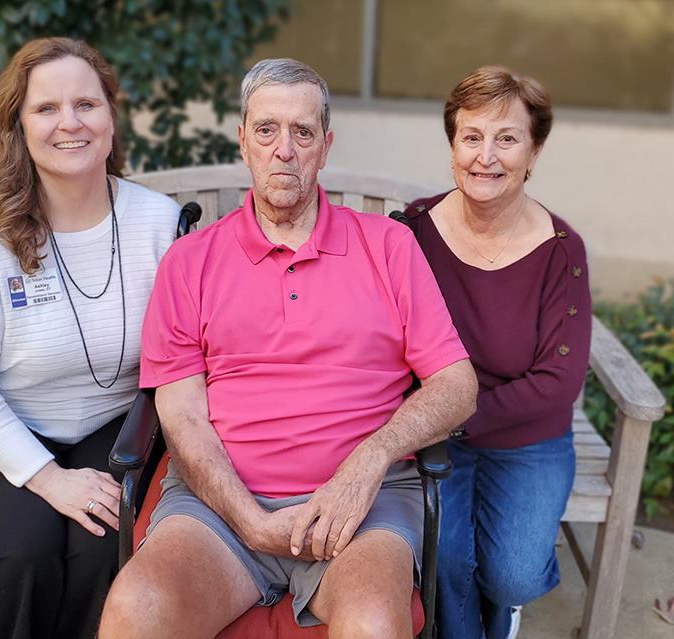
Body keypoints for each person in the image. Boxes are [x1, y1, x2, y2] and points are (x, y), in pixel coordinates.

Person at [98, 58, 478, 639]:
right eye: (267, 129)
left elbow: (458, 386)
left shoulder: (389, 245)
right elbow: (180, 415)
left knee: (374, 624)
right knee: (135, 611)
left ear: (324, 147)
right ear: (244, 142)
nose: (285, 149)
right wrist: (248, 520)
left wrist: (370, 460)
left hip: (362, 511)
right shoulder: (190, 262)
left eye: (302, 132)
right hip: (219, 511)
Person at [0, 37, 181, 639]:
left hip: (116, 422)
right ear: (18, 125)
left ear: (111, 118)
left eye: (86, 104)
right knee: (22, 558)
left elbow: (188, 350)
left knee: (104, 546)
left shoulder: (158, 224)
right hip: (4, 421)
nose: (70, 123)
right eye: (46, 109)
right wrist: (48, 479)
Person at [403, 66, 592, 639]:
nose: (486, 156)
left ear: (533, 152)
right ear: (453, 145)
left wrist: (456, 415)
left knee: (510, 575)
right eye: (472, 136)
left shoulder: (561, 251)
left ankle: (505, 602)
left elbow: (557, 381)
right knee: (447, 562)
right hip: (437, 435)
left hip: (527, 437)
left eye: (507, 138)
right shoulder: (413, 230)